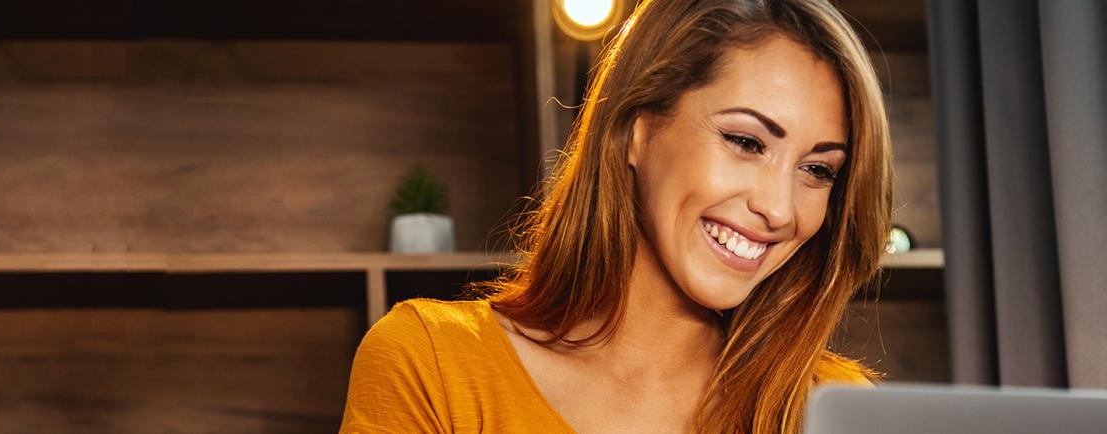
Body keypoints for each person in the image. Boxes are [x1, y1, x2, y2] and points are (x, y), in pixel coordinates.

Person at [341, 0, 894, 432]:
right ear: (639, 129)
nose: (777, 208)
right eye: (745, 141)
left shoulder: (833, 406)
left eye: (818, 170)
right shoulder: (434, 365)